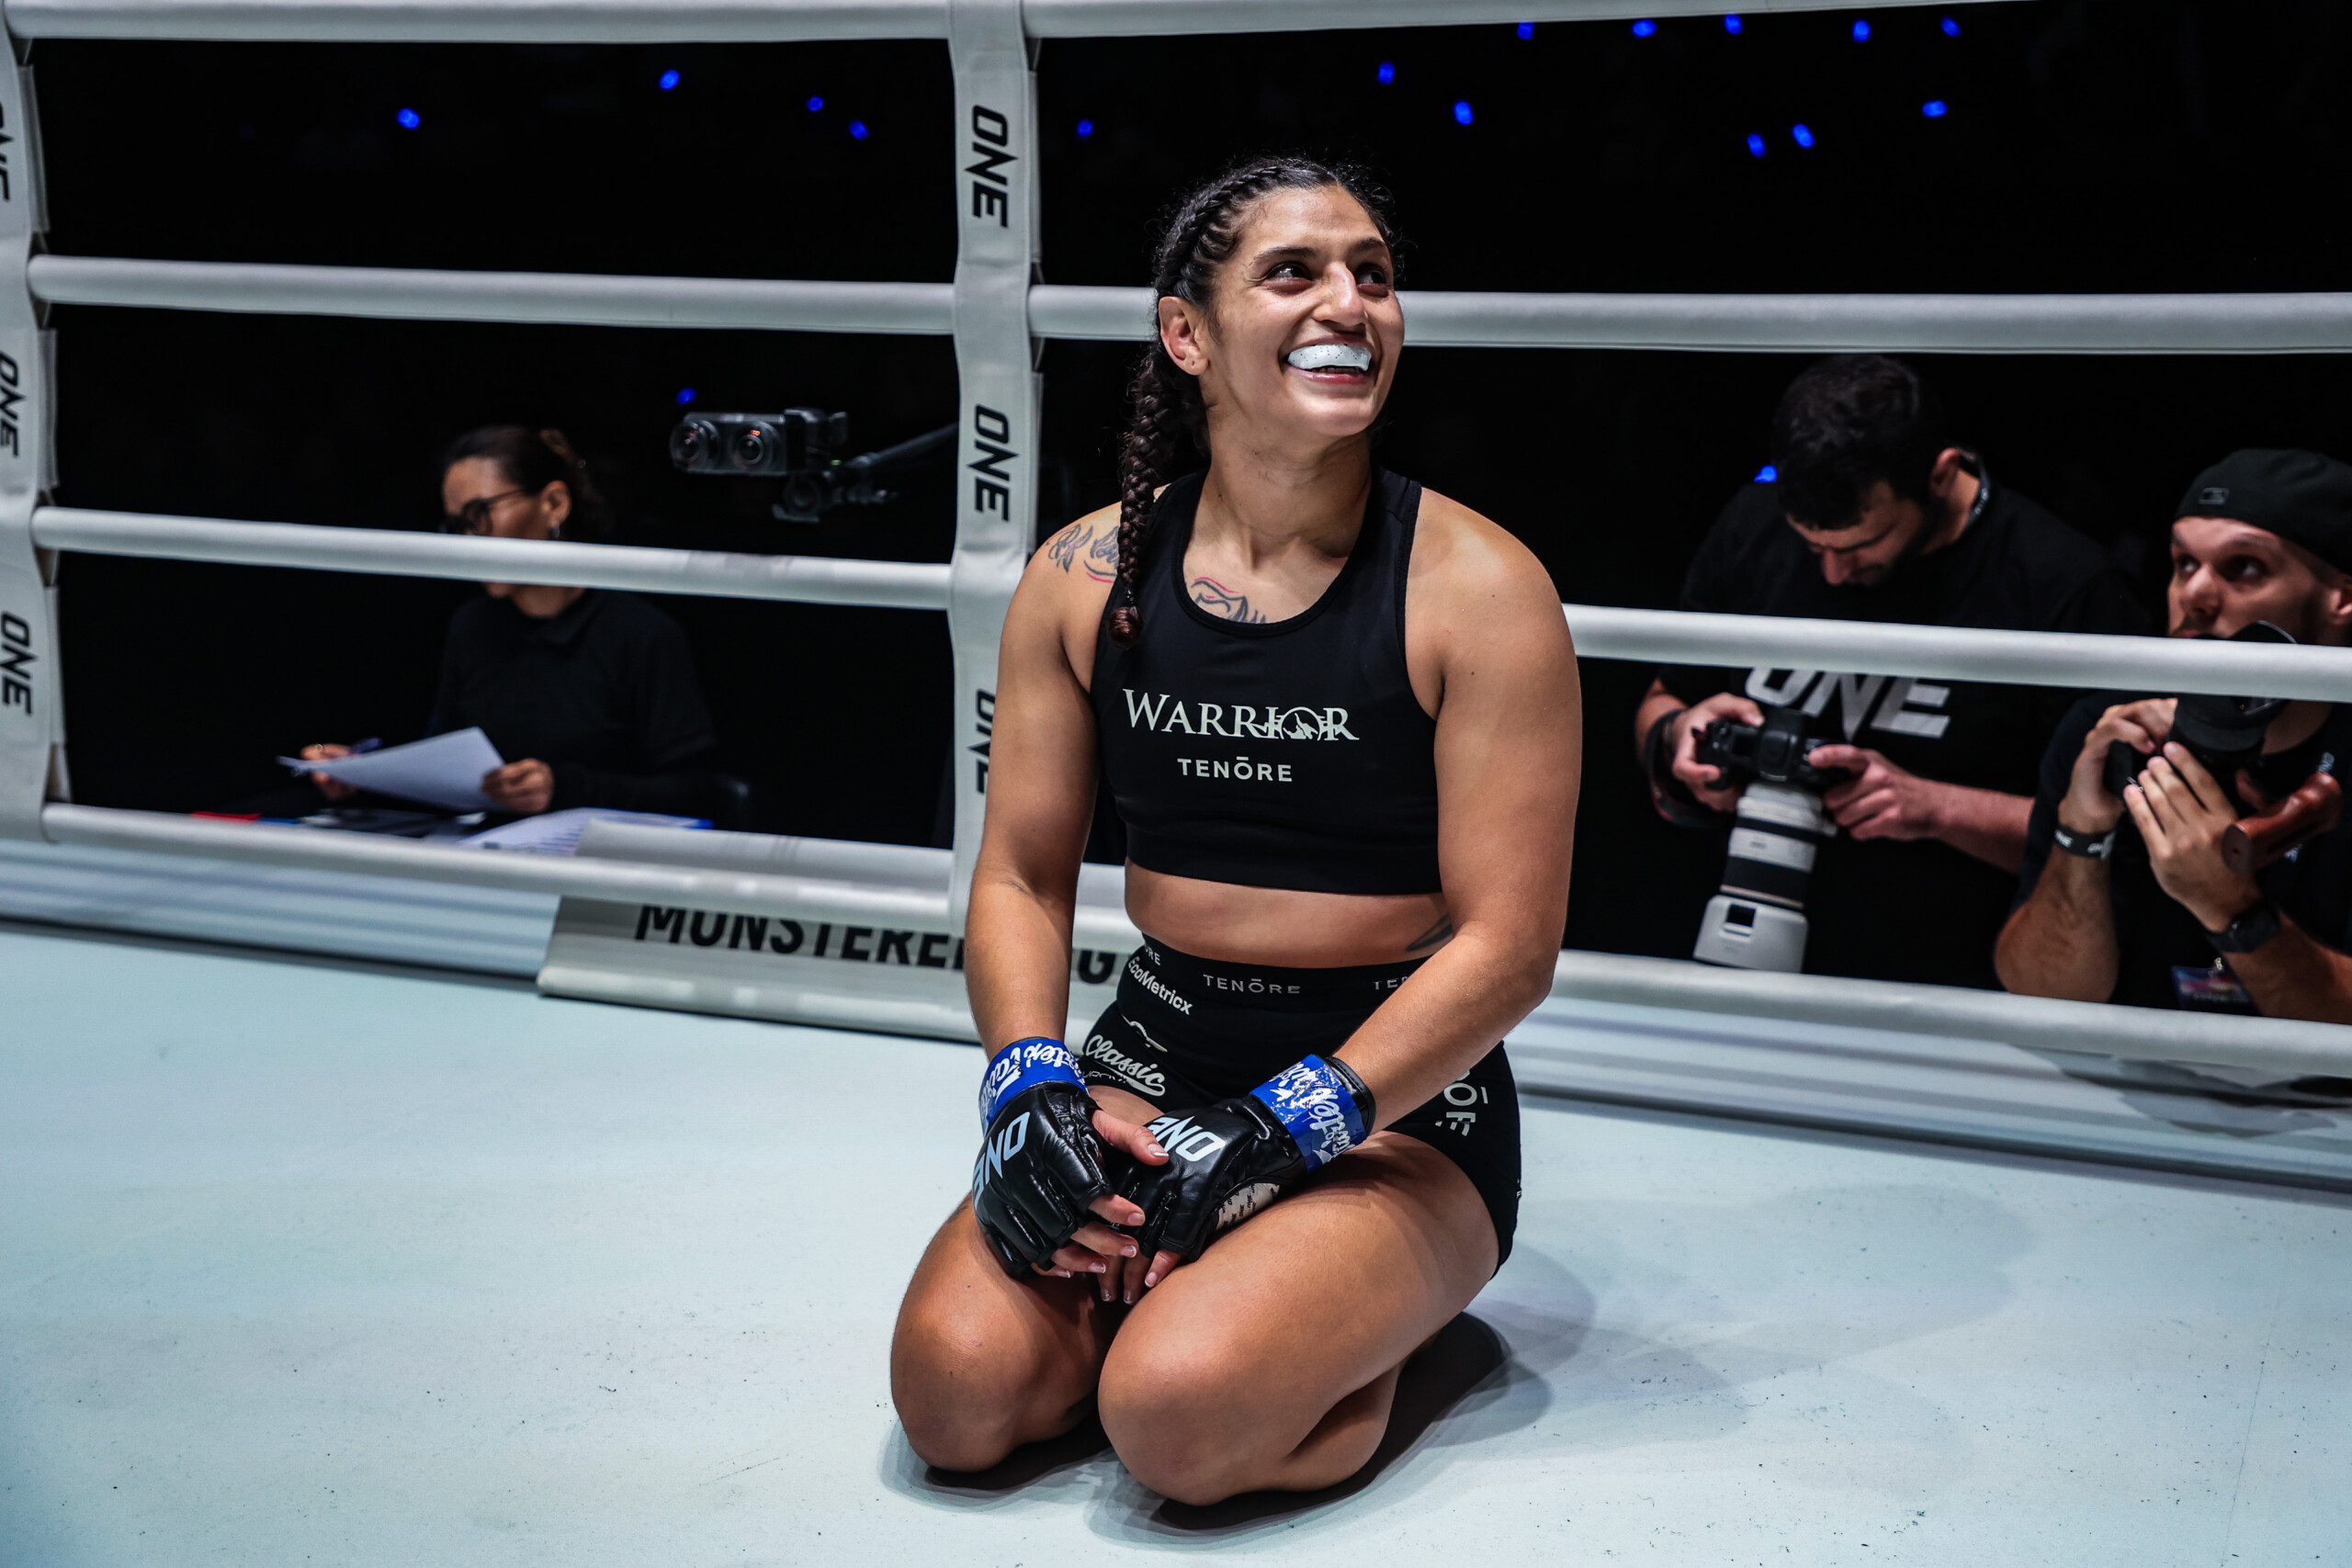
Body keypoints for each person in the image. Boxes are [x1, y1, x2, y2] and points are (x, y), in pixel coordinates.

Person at [888, 159, 1579, 1505]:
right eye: (1296, 271)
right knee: (957, 1397)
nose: (1352, 301)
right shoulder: (1083, 575)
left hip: (1398, 1098)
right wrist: (1028, 1079)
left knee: (1178, 1416)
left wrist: (1293, 1123)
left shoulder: (1482, 588)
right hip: (1154, 1053)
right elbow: (1022, 875)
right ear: (1185, 333)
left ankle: (1386, 1327)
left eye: (1374, 273)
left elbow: (1509, 949)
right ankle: (1245, 1300)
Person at [1631, 355, 2148, 987]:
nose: (1832, 573)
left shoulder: (2060, 585)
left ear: (1940, 474)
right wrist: (1676, 736)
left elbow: (2112, 837)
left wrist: (1935, 808)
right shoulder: (1753, 522)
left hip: (1948, 988)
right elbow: (1661, 698)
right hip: (1740, 952)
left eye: (1859, 546)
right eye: (1812, 545)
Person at [1997, 449, 2352, 1023]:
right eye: (2184, 564)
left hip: (2327, 1104)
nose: (2195, 595)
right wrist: (2083, 835)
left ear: (2343, 597)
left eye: (2245, 568)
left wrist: (2229, 907)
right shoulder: (2111, 732)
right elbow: (2044, 995)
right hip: (2139, 1086)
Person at [302, 426, 731, 821]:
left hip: (599, 872)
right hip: (491, 856)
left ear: (554, 504)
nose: (470, 541)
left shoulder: (640, 634)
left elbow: (698, 793)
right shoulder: (472, 626)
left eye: (481, 515)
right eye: (457, 527)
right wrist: (360, 774)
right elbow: (447, 776)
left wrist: (563, 787)